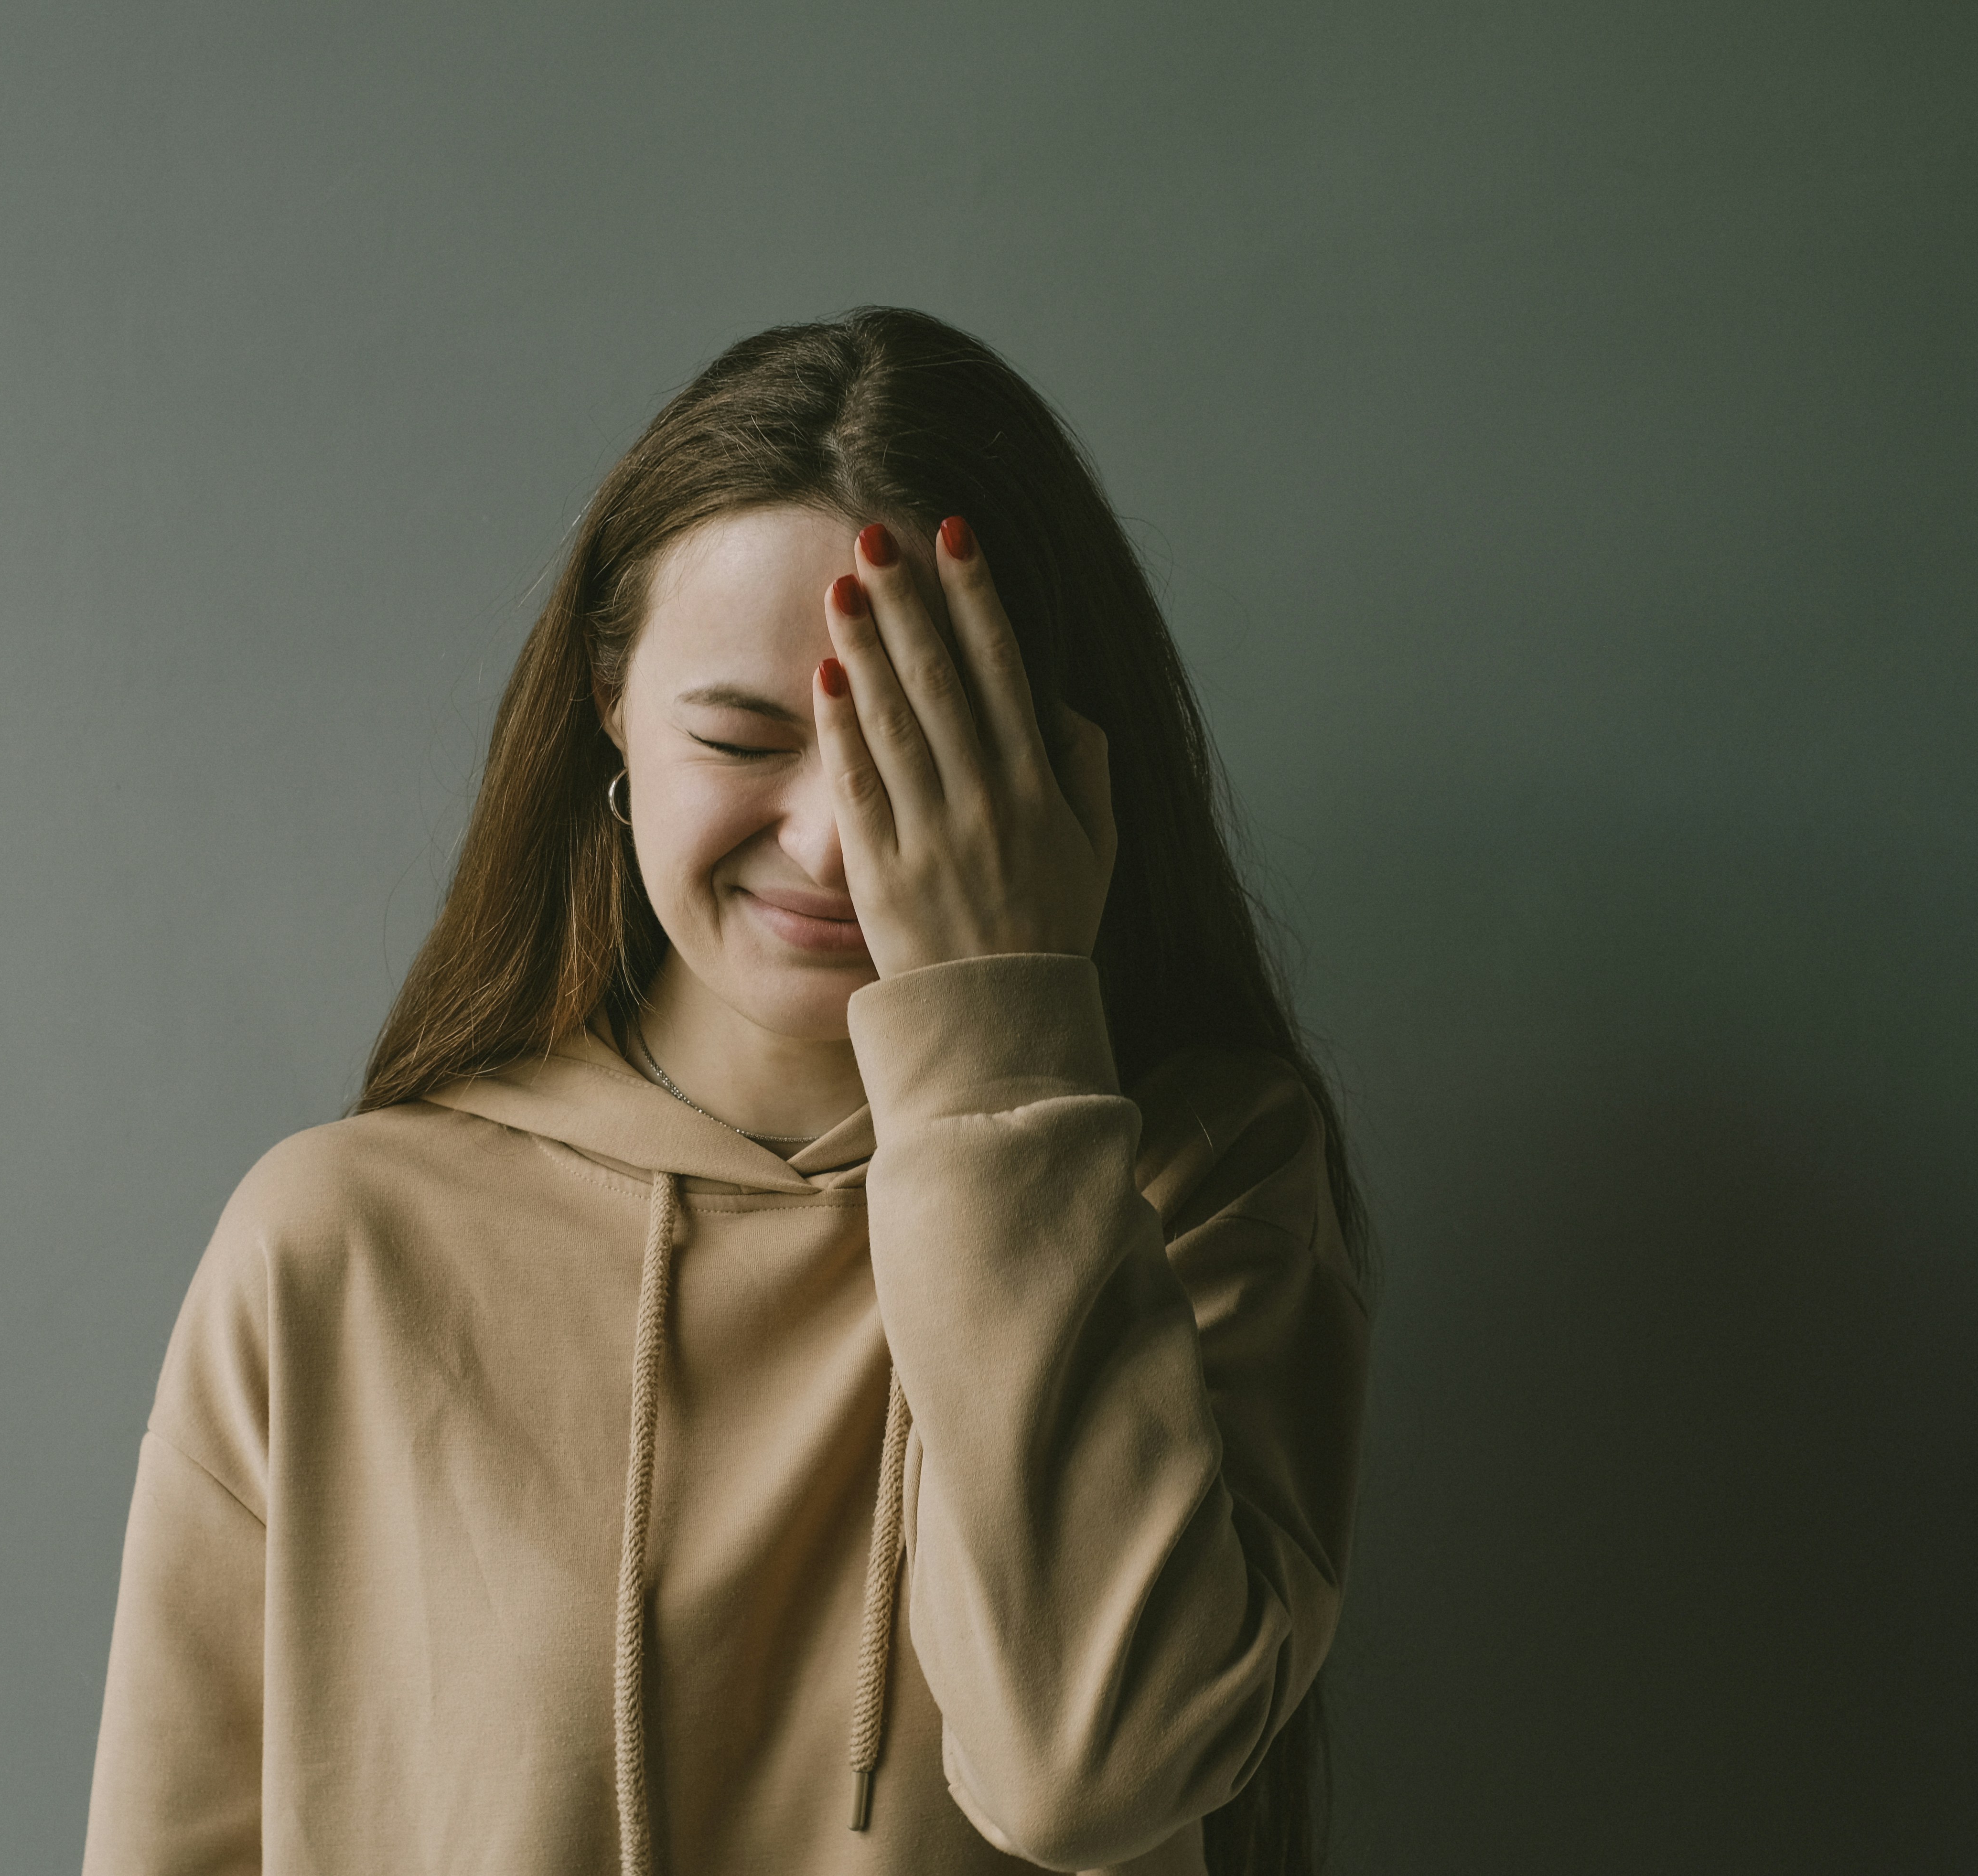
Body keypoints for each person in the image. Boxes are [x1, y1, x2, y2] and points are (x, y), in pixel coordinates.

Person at [80, 307, 1374, 1876]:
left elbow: (1091, 1778)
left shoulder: (1205, 1180)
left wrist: (996, 1038)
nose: (833, 841)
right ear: (611, 715)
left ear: (1063, 767)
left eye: (921, 750)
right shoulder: (339, 1242)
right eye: (744, 736)